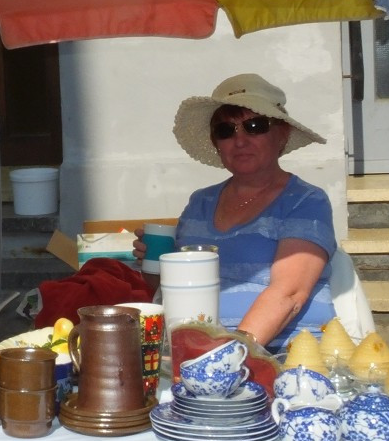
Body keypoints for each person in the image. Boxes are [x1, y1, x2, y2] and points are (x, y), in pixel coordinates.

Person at [133, 73, 337, 352]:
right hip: (199, 354)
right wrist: (154, 264)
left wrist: (231, 354)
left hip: (287, 356)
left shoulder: (305, 201)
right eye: (226, 131)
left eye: (254, 125)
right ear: (217, 144)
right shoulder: (199, 203)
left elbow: (289, 294)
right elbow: (178, 289)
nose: (239, 140)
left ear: (282, 135)